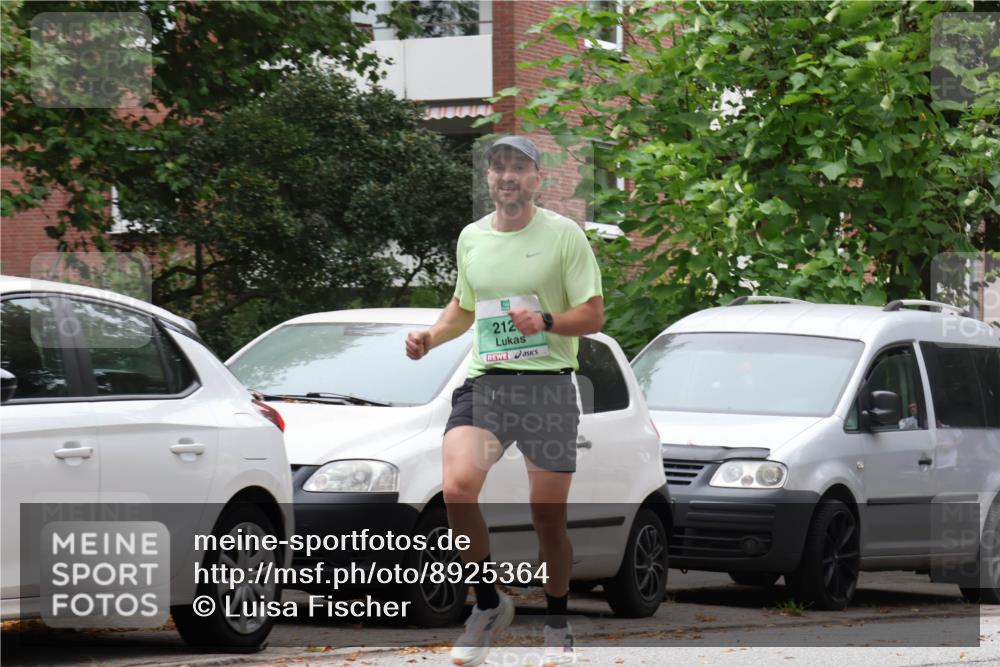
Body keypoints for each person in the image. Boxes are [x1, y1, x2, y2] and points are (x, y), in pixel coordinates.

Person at [405, 135, 604, 667]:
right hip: (486, 383)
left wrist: (547, 321)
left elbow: (593, 315)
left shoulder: (565, 236)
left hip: (547, 386)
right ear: (489, 179)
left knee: (548, 518)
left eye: (519, 167)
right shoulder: (471, 238)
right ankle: (489, 604)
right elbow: (462, 306)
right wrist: (431, 336)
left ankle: (558, 621)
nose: (507, 176)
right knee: (457, 489)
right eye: (498, 168)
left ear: (538, 178)